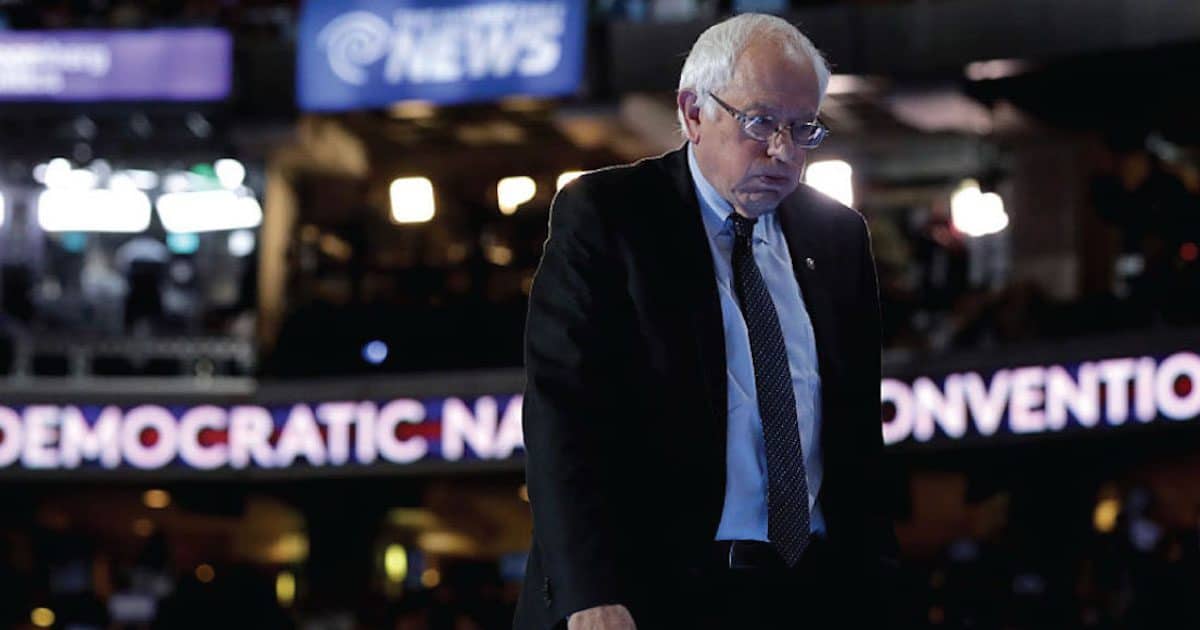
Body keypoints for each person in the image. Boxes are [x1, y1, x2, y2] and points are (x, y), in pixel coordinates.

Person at [515, 13, 899, 630]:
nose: (783, 150)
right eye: (761, 122)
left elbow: (855, 439)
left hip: (813, 591)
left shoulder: (839, 237)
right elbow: (564, 416)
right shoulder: (610, 216)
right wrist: (590, 589)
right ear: (693, 112)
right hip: (651, 594)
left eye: (804, 129)